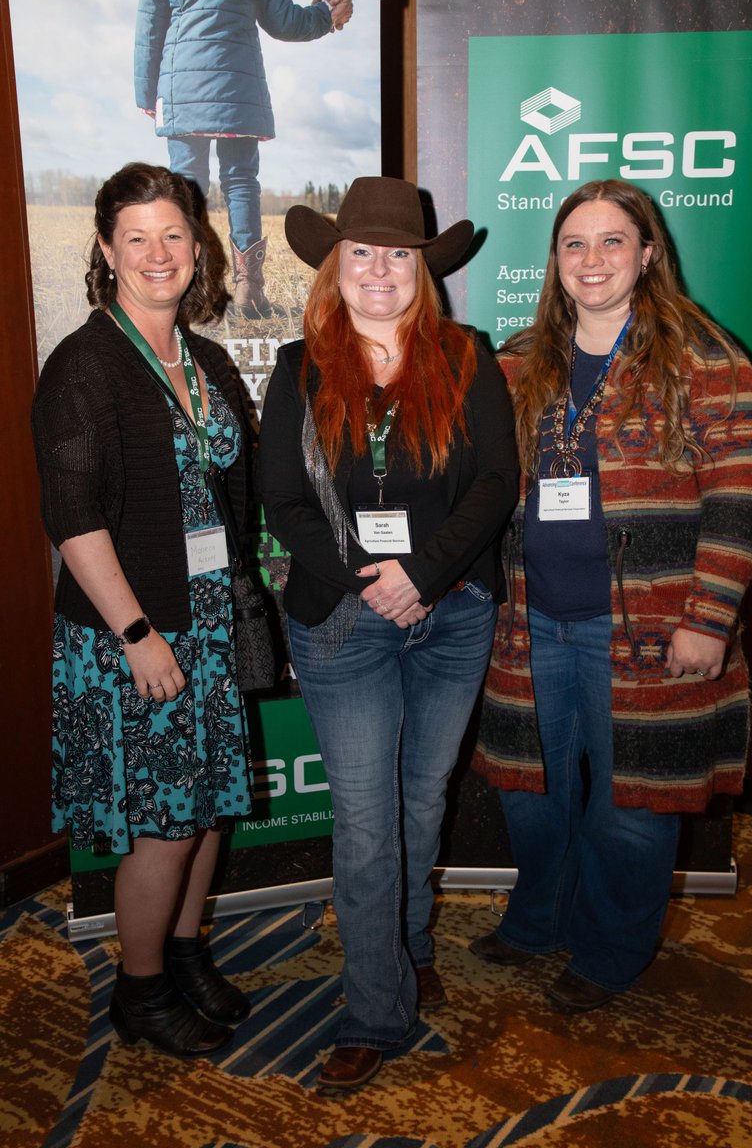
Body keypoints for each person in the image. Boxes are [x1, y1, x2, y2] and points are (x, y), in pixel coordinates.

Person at [470, 179, 752, 1012]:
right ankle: (538, 921)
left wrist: (710, 618)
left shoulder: (707, 359)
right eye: (574, 243)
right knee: (529, 797)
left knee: (633, 812)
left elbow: (741, 495)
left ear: (647, 254)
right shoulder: (519, 363)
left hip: (649, 631)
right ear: (556, 261)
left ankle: (608, 953)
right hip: (530, 629)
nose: (591, 259)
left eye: (611, 242)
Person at [258, 176, 519, 1092]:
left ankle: (406, 950)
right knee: (368, 825)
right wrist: (371, 583)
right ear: (335, 266)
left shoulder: (467, 355)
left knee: (418, 805)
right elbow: (282, 505)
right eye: (361, 252)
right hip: (341, 623)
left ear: (423, 270)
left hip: (450, 618)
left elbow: (496, 484)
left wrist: (427, 574)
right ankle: (374, 1008)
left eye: (398, 254)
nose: (379, 270)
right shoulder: (298, 366)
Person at [31, 162, 254, 1057]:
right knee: (164, 824)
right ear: (105, 250)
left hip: (206, 625)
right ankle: (142, 987)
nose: (158, 253)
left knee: (205, 808)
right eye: (138, 238)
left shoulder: (199, 356)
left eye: (174, 235)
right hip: (138, 634)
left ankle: (184, 948)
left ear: (197, 250)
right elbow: (72, 515)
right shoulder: (86, 363)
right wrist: (135, 634)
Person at [134, 0, 353, 321]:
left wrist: (147, 94)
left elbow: (149, 28)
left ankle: (193, 290)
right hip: (240, 86)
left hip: (182, 86)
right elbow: (285, 22)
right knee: (241, 181)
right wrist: (327, 13)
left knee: (187, 186)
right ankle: (250, 289)